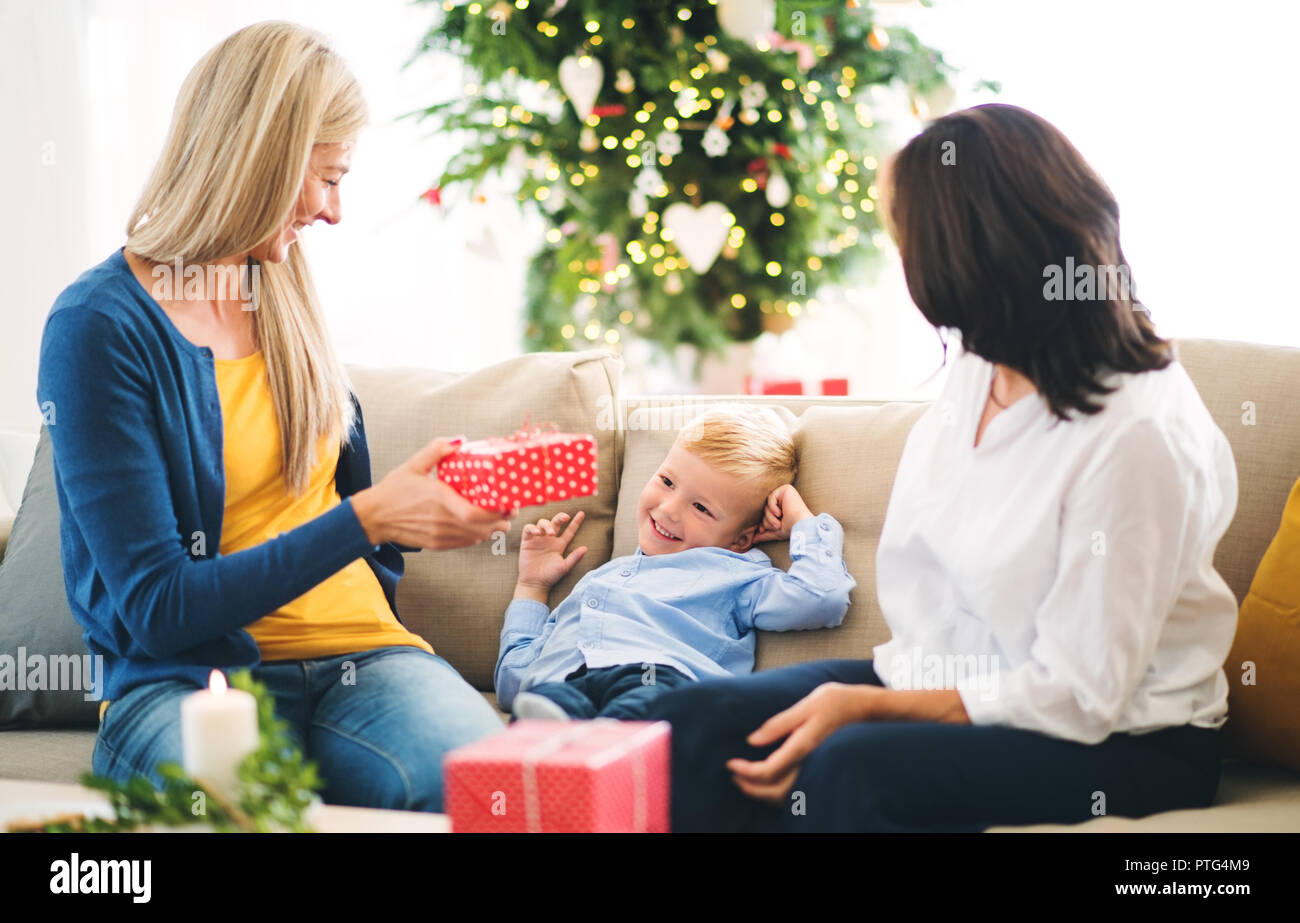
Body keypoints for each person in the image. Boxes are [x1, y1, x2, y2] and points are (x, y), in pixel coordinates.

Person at [642, 104, 1240, 832]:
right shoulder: (984, 362)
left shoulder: (1138, 431)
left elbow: (1081, 694)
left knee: (851, 770)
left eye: (903, 238)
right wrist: (883, 693)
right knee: (686, 725)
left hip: (1126, 739)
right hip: (950, 681)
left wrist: (866, 705)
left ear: (960, 262)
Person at [36, 22, 508, 813]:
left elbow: (327, 509)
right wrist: (368, 516)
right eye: (325, 179)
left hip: (365, 659)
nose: (334, 212)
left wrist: (408, 508)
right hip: (185, 682)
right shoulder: (100, 326)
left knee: (487, 793)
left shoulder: (282, 292)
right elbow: (157, 607)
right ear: (262, 161)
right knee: (243, 812)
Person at [495, 405, 855, 721]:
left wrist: (803, 521)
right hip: (564, 681)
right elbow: (514, 684)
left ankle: (605, 749)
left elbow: (821, 597)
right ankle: (558, 753)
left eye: (701, 508)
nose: (668, 509)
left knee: (644, 706)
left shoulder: (735, 572)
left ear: (741, 539)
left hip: (659, 681)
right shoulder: (597, 581)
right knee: (543, 702)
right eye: (667, 481)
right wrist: (532, 586)